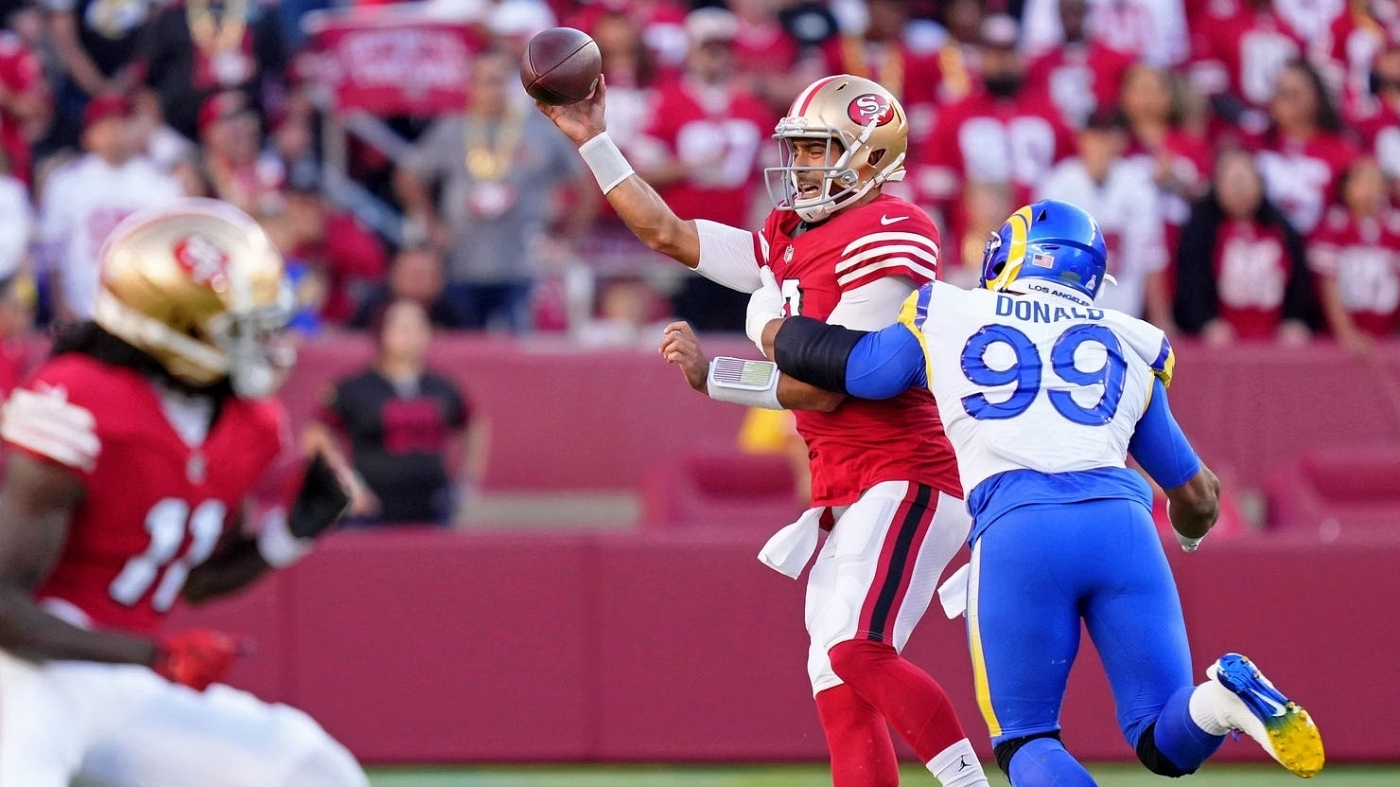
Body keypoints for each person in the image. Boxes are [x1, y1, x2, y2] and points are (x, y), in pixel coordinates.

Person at [748, 198, 1326, 787]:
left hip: (1017, 526)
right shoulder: (1127, 338)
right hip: (1122, 527)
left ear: (1010, 256)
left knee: (1027, 740)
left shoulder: (945, 309)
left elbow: (860, 373)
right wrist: (1188, 535)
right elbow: (1200, 496)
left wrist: (769, 320)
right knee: (1162, 739)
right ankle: (1221, 701)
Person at [542, 73, 990, 787]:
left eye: (817, 148)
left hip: (909, 476)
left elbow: (834, 386)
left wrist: (728, 364)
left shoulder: (892, 228)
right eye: (800, 148)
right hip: (847, 487)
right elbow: (669, 231)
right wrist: (596, 141)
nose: (802, 164)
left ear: (870, 158)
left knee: (857, 652)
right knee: (836, 683)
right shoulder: (788, 234)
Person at [0, 198, 368, 787]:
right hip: (27, 670)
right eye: (245, 329)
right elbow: (3, 610)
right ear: (176, 330)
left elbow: (188, 577)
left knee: (311, 768)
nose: (271, 345)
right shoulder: (79, 400)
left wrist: (288, 534)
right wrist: (154, 657)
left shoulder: (251, 424)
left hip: (124, 683)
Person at [306, 299, 484, 527]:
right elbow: (317, 434)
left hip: (431, 507)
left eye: (417, 326)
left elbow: (472, 423)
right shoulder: (355, 387)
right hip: (371, 510)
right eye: (401, 326)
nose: (409, 334)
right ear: (383, 332)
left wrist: (468, 478)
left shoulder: (442, 386)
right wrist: (345, 484)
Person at [38, 93, 184, 322]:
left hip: (144, 309)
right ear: (89, 135)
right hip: (83, 308)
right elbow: (51, 251)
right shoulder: (66, 181)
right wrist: (61, 306)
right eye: (105, 125)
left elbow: (171, 247)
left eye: (121, 123)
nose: (114, 132)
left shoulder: (160, 181)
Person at [1174, 147, 1317, 345]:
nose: (1240, 190)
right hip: (1218, 339)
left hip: (1274, 337)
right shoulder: (1200, 230)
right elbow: (1190, 283)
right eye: (1233, 182)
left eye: (1246, 181)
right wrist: (1204, 322)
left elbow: (1299, 281)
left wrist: (1295, 319)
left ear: (1260, 184)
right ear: (1217, 186)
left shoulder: (1281, 228)